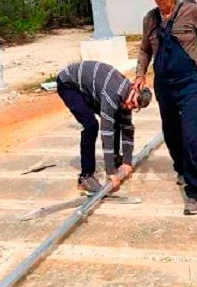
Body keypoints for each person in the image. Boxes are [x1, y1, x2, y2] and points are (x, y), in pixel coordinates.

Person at [132, 0, 197, 216]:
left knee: (191, 136)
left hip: (188, 84)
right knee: (171, 135)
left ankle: (196, 193)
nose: (159, 0)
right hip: (163, 85)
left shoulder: (192, 12)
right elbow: (144, 50)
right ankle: (182, 168)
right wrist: (140, 74)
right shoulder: (150, 19)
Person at [57, 60, 152, 193]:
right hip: (69, 84)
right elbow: (106, 132)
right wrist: (111, 172)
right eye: (133, 103)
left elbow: (127, 129)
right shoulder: (113, 94)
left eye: (135, 108)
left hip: (91, 87)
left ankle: (115, 158)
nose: (130, 107)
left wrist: (127, 162)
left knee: (119, 118)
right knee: (91, 125)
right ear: (134, 90)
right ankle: (85, 177)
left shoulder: (128, 97)